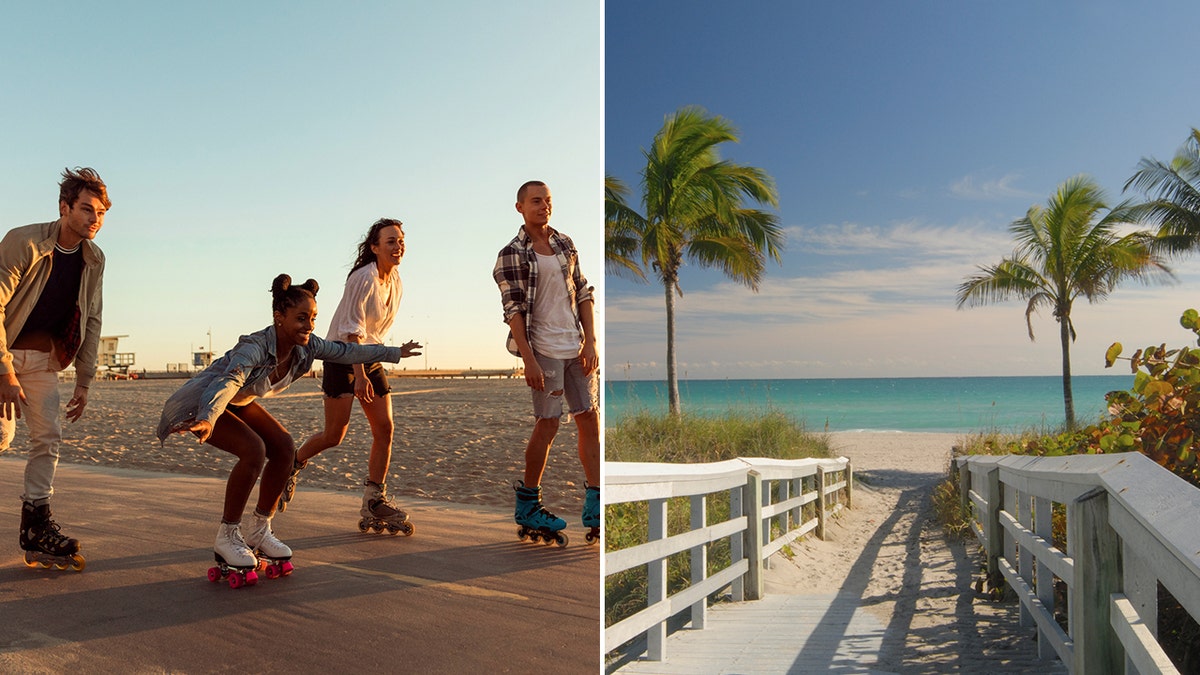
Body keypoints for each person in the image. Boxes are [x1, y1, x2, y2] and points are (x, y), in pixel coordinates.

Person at [156, 274, 419, 583]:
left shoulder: (305, 348)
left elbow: (347, 353)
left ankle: (258, 530)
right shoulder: (254, 347)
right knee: (253, 450)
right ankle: (227, 535)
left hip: (237, 401)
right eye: (301, 318)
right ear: (279, 317)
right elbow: (228, 381)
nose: (309, 325)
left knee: (283, 446)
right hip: (202, 403)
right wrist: (209, 417)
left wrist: (393, 353)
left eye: (313, 318)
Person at [279, 219, 421, 534]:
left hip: (370, 356)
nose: (398, 246)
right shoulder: (363, 277)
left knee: (385, 429)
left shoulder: (395, 279)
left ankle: (374, 499)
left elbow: (373, 332)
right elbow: (352, 330)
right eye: (390, 241)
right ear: (374, 247)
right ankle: (292, 464)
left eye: (401, 241)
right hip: (342, 358)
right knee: (334, 435)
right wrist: (359, 376)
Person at [0, 167, 109, 569]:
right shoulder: (24, 242)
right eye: (86, 209)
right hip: (5, 355)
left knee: (48, 439)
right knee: (1, 435)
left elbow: (92, 318)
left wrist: (84, 380)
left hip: (44, 362)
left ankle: (36, 527)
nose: (95, 219)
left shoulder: (94, 259)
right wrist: (4, 372)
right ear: (64, 208)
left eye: (100, 212)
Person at [492, 180, 600, 545]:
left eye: (548, 200)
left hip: (576, 346)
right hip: (544, 349)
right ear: (520, 207)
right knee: (549, 424)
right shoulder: (511, 254)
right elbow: (514, 311)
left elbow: (583, 291)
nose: (544, 206)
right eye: (536, 201)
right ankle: (528, 505)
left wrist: (591, 341)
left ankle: (597, 502)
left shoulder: (564, 243)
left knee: (589, 418)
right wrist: (529, 360)